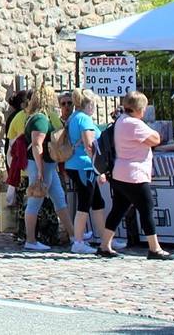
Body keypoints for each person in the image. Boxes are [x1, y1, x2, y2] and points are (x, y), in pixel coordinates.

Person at [99, 91, 174, 260]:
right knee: (147, 209)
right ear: (139, 108)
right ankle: (154, 248)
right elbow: (156, 139)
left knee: (118, 209)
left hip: (120, 172)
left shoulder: (121, 121)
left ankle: (105, 245)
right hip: (135, 174)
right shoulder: (134, 124)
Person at [22, 84, 76, 251]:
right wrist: (39, 171)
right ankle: (30, 240)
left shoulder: (38, 117)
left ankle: (74, 236)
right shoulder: (40, 119)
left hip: (47, 165)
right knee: (35, 201)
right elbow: (37, 145)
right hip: (42, 165)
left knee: (59, 199)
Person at [65, 89, 107, 255]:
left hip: (76, 165)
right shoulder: (84, 119)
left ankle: (105, 238)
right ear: (89, 104)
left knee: (97, 202)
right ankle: (78, 241)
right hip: (84, 166)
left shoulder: (74, 117)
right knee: (84, 203)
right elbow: (90, 146)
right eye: (93, 104)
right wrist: (100, 169)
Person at [3, 89, 33, 206]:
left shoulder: (13, 117)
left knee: (18, 191)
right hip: (21, 157)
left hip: (13, 156)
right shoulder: (20, 117)